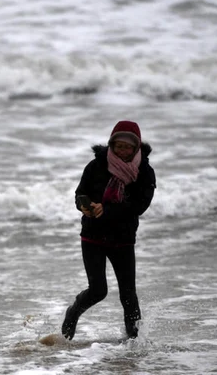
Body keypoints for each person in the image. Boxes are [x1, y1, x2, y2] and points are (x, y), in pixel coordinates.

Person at [61, 120, 156, 340]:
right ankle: (73, 312)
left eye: (128, 147)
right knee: (98, 291)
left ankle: (134, 343)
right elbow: (80, 193)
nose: (123, 150)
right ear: (111, 144)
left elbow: (139, 206)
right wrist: (83, 205)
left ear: (136, 147)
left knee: (128, 295)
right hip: (92, 236)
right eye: (118, 146)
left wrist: (108, 209)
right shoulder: (96, 165)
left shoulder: (144, 172)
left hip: (123, 238)